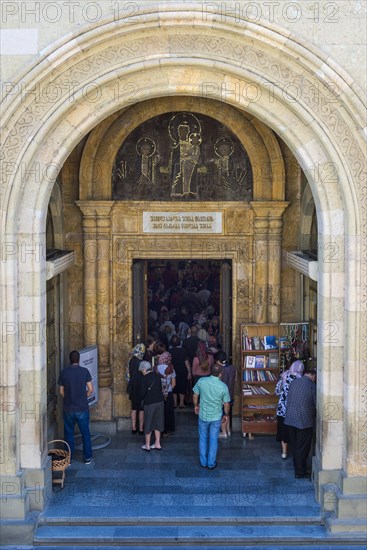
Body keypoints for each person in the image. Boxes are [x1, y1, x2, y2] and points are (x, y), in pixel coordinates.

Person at [58, 350, 93, 464]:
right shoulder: (84, 371)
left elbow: (61, 391)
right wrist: (83, 397)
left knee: (69, 434)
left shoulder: (64, 372)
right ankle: (87, 458)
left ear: (70, 359)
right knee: (85, 434)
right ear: (79, 359)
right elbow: (91, 389)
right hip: (82, 407)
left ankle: (69, 458)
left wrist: (68, 399)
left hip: (68, 407)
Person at [192, 363, 231, 469]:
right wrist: (226, 415)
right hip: (216, 416)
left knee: (203, 438)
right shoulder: (223, 387)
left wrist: (196, 405)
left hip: (203, 415)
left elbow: (195, 395)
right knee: (213, 439)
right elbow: (226, 403)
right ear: (220, 374)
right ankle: (211, 463)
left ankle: (203, 462)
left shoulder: (201, 381)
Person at [284, 368, 317, 478]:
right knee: (302, 447)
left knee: (295, 445)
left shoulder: (294, 382)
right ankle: (300, 471)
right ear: (313, 376)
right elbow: (315, 403)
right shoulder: (312, 386)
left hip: (290, 419)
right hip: (304, 421)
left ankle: (297, 466)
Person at [275, 359, 305, 459]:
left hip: (282, 409)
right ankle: (296, 451)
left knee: (284, 431)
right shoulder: (301, 379)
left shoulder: (284, 376)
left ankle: (284, 452)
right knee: (294, 431)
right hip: (295, 409)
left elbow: (277, 391)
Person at [139, 361, 165, 451]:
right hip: (160, 402)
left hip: (149, 403)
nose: (142, 372)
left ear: (144, 369)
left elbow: (142, 393)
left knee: (148, 423)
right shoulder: (157, 376)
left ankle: (147, 445)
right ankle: (157, 443)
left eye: (142, 370)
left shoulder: (144, 378)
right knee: (158, 422)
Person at [215, 351, 236, 438]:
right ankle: (228, 431)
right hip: (230, 394)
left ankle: (224, 433)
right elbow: (235, 380)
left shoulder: (219, 369)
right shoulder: (232, 368)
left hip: (221, 396)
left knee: (222, 414)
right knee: (227, 413)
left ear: (218, 361)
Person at [156, 351, 176, 437]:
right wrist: (168, 389)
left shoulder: (156, 368)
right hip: (169, 393)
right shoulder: (171, 368)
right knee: (167, 412)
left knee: (159, 412)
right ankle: (166, 430)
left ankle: (158, 430)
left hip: (158, 393)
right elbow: (174, 383)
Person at [169, 335, 191, 408]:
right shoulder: (183, 350)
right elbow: (186, 362)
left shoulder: (169, 351)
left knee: (174, 386)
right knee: (182, 386)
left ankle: (175, 403)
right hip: (182, 370)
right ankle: (181, 403)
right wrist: (189, 372)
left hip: (172, 371)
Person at [128, 343, 146, 434]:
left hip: (133, 387)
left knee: (134, 408)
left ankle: (134, 428)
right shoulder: (142, 363)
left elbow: (127, 375)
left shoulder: (130, 360)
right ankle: (141, 429)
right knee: (141, 409)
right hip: (141, 387)